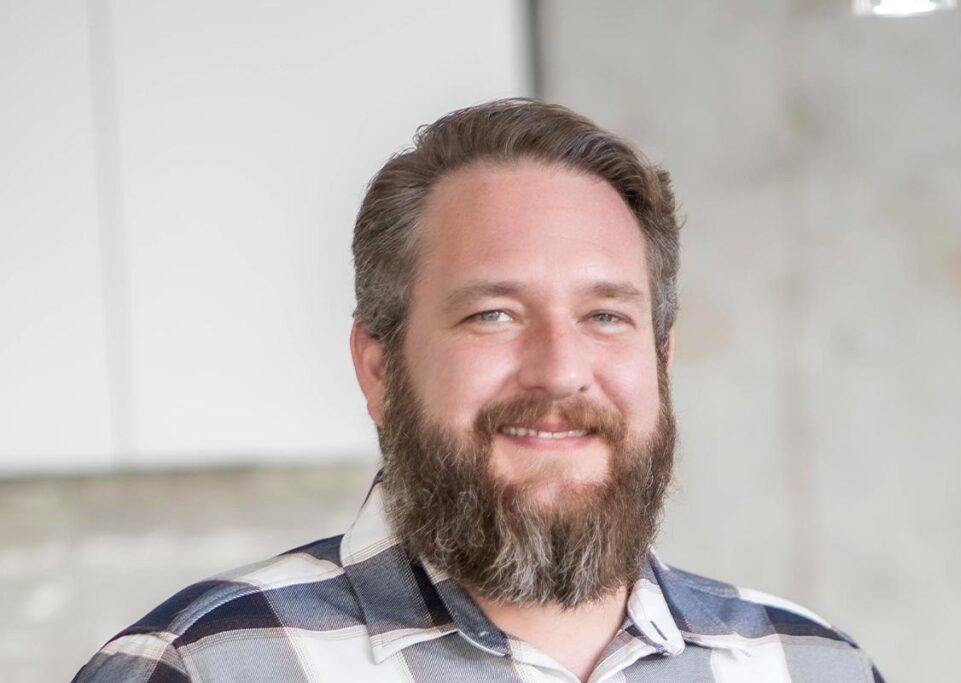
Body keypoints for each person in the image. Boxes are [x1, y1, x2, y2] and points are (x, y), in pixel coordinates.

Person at [74, 99, 884, 682]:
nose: (559, 370)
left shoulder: (814, 665)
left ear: (661, 361)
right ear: (379, 367)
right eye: (493, 314)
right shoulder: (199, 668)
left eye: (605, 315)